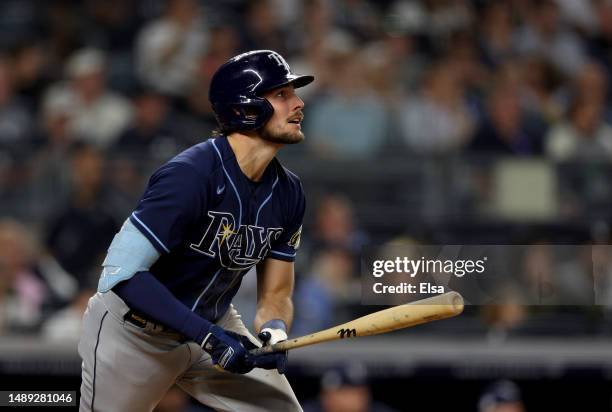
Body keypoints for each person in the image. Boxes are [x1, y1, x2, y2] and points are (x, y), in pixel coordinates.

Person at [78, 50, 312, 411]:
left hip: (215, 324)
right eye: (281, 94)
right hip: (136, 333)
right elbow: (120, 274)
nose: (297, 103)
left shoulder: (289, 192)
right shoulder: (191, 174)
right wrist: (207, 336)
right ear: (244, 107)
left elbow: (276, 291)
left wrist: (274, 331)